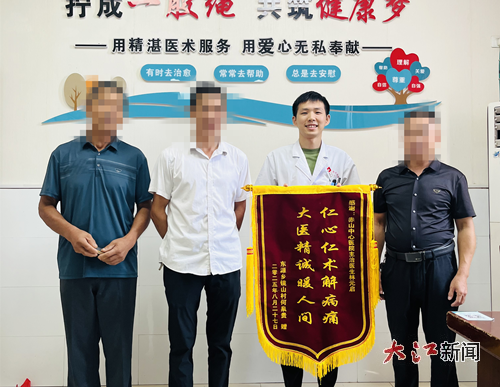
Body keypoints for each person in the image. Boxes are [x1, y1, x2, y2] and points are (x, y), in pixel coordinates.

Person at [38, 80, 152, 387]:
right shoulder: (62, 155)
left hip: (120, 270)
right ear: (89, 108)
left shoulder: (134, 158)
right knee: (80, 357)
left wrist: (129, 240)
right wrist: (72, 233)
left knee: (119, 355)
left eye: (117, 106)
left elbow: (146, 206)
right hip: (75, 269)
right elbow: (46, 206)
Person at [255, 90, 360, 387]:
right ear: (294, 120)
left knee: (329, 329)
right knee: (292, 329)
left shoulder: (341, 160)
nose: (310, 118)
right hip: (290, 260)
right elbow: (262, 207)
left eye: (317, 112)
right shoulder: (276, 159)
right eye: (304, 112)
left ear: (327, 119)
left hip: (330, 262)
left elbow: (355, 210)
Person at [149, 82, 251, 387]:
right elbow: (157, 209)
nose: (211, 115)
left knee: (221, 345)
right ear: (193, 112)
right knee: (181, 345)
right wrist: (176, 240)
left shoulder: (238, 158)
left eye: (217, 109)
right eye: (204, 109)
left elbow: (240, 206)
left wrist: (223, 237)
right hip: (181, 265)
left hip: (226, 264)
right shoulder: (171, 156)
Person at [374, 111, 476, 387]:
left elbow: (465, 227)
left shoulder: (453, 177)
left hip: (440, 269)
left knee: (442, 345)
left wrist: (462, 274)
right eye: (411, 132)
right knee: (402, 344)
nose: (417, 138)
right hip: (397, 269)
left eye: (424, 132)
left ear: (435, 136)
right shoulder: (386, 178)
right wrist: (374, 269)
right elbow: (379, 224)